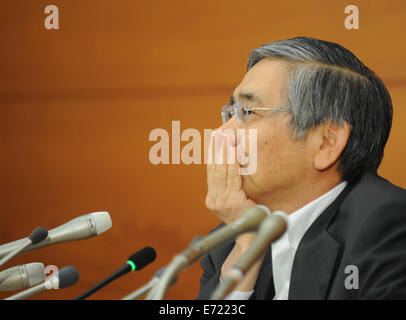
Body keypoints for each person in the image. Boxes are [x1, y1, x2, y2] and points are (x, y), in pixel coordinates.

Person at [196, 37, 406, 300]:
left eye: (247, 113)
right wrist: (246, 248)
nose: (221, 133)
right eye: (229, 114)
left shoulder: (389, 228)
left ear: (327, 142)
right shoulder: (229, 243)